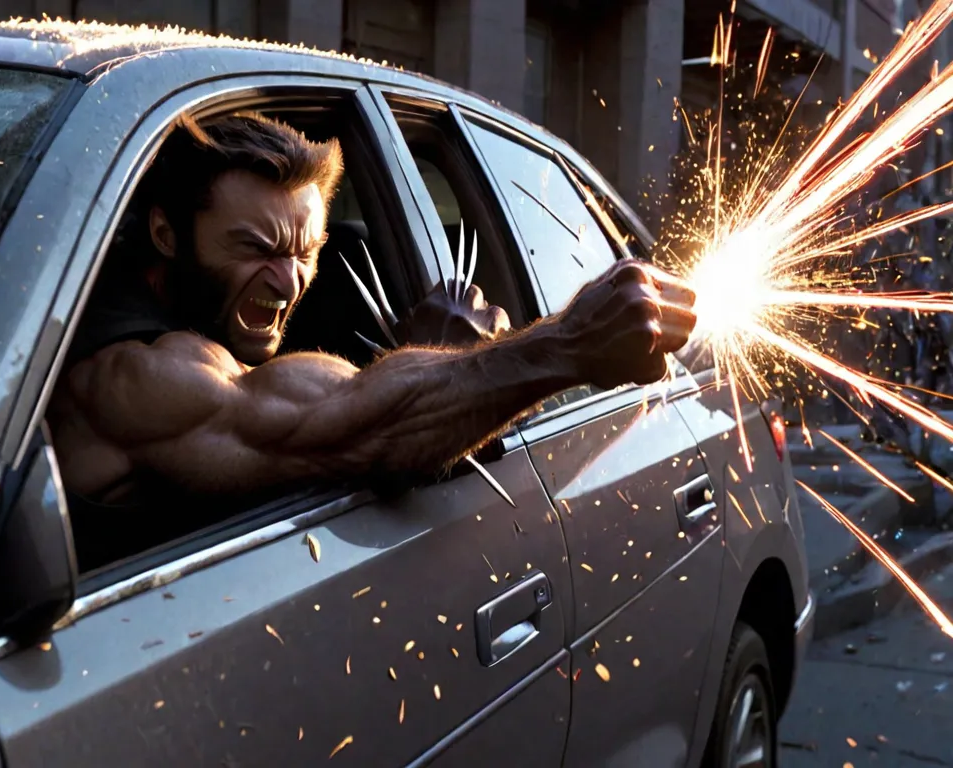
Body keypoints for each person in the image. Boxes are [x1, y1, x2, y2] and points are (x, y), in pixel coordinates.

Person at [48, 113, 697, 560]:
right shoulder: (137, 374)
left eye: (306, 250)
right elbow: (352, 423)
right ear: (166, 236)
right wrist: (565, 343)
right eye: (255, 249)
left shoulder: (215, 315)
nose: (287, 281)